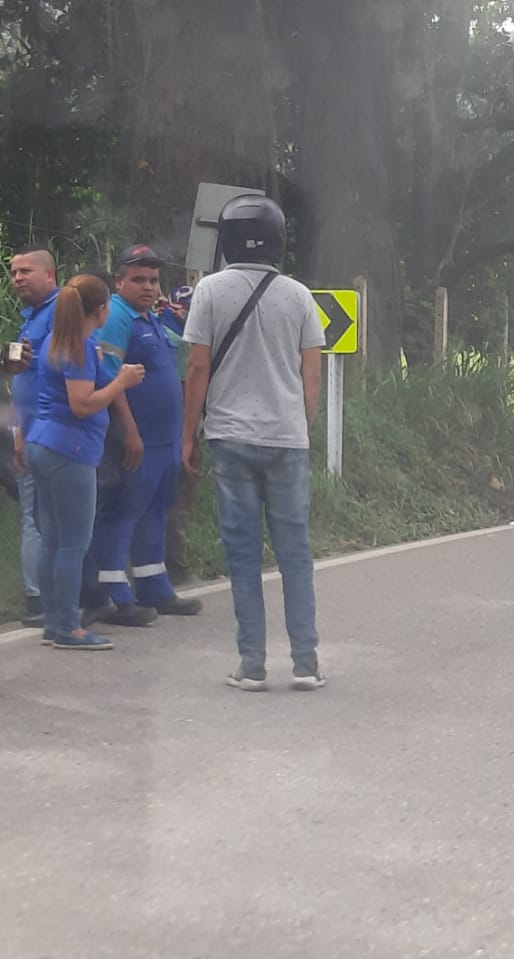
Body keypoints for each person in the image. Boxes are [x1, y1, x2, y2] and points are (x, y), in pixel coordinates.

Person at [182, 195, 326, 692]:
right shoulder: (299, 296)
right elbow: (312, 374)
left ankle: (251, 665)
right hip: (286, 440)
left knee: (242, 555)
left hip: (229, 437)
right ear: (278, 239)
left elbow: (197, 368)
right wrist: (300, 427)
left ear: (225, 239)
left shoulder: (209, 292)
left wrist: (189, 435)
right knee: (295, 553)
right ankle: (306, 663)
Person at [25, 274, 145, 649]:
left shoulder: (62, 342)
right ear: (101, 309)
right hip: (69, 450)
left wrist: (116, 376)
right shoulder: (76, 347)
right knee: (73, 543)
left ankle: (54, 620)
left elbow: (100, 377)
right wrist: (121, 385)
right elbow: (82, 404)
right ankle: (67, 628)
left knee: (53, 540)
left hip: (43, 443)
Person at [85, 244, 202, 625]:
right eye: (138, 279)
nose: (148, 286)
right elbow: (109, 378)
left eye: (153, 279)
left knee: (156, 511)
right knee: (123, 512)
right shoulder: (117, 316)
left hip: (165, 442)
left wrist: (186, 436)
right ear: (119, 282)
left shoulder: (152, 318)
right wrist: (130, 432)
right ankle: (115, 595)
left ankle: (155, 587)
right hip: (136, 441)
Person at [8, 247, 54, 626]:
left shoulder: (59, 313)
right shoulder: (29, 319)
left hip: (52, 433)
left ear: (50, 274)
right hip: (28, 431)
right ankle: (40, 596)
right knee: (35, 515)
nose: (18, 278)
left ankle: (53, 593)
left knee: (46, 516)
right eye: (13, 272)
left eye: (26, 271)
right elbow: (13, 369)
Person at [158, 285, 197, 584]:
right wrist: (190, 435)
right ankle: (177, 567)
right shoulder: (183, 343)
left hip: (157, 430)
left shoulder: (156, 328)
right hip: (180, 430)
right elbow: (189, 389)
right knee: (178, 501)